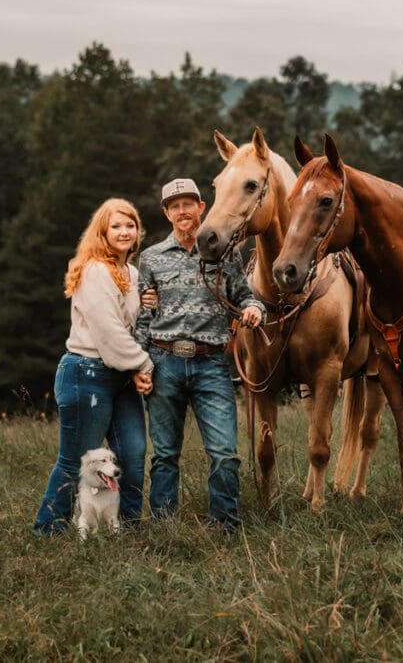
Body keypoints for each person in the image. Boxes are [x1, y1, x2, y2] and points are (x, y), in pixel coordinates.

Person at [137, 178, 264, 530]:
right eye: (174, 206)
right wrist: (140, 365)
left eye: (188, 204)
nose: (182, 211)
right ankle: (165, 527)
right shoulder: (151, 259)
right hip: (164, 363)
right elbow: (144, 320)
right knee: (164, 455)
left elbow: (247, 296)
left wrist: (254, 310)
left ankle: (224, 525)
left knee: (224, 453)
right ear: (166, 213)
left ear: (201, 208)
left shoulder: (224, 252)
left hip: (211, 364)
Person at [33, 198, 155, 536]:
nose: (124, 231)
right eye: (115, 226)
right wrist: (143, 365)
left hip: (122, 377)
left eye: (129, 225)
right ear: (101, 232)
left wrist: (150, 305)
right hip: (86, 374)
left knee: (131, 456)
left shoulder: (130, 273)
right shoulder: (94, 270)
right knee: (75, 462)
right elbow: (109, 332)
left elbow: (132, 327)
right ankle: (47, 532)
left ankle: (127, 531)